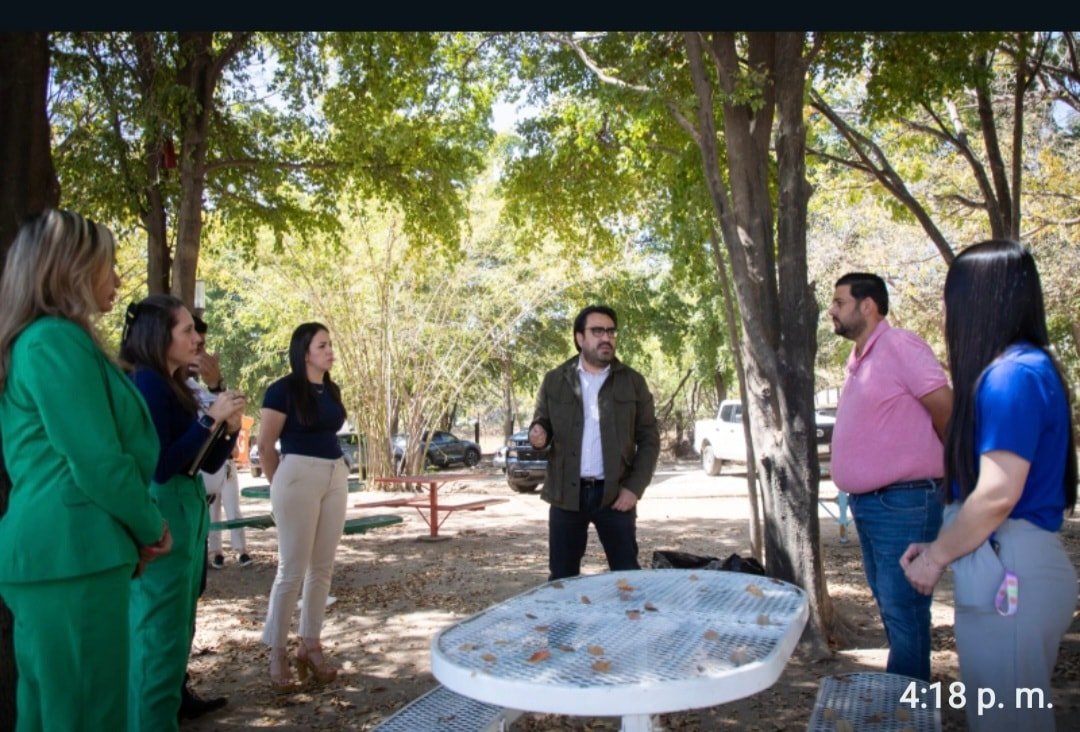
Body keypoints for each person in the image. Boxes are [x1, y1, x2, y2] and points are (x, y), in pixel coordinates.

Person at [0, 209, 171, 731]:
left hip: (71, 555)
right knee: (86, 715)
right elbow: (98, 461)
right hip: (70, 554)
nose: (118, 278)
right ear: (72, 269)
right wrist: (151, 526)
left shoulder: (51, 340)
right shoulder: (54, 341)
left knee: (57, 712)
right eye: (108, 265)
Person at [902, 240, 1077, 731]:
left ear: (978, 301)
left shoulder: (1011, 376)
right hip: (1006, 560)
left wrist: (937, 558)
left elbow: (998, 493)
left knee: (1009, 722)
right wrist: (943, 545)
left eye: (950, 300)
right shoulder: (1022, 370)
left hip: (1011, 568)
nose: (946, 314)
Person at [122, 294, 245, 731]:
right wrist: (210, 418)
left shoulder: (172, 383)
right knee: (159, 643)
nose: (198, 339)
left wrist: (226, 429)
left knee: (176, 639)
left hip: (189, 505)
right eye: (188, 330)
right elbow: (160, 464)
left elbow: (208, 462)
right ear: (161, 336)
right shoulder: (148, 382)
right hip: (165, 508)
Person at [827, 272, 952, 682]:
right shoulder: (861, 359)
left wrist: (947, 468)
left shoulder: (900, 345)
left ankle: (909, 714)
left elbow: (946, 410)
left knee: (904, 612)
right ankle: (905, 707)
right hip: (871, 505)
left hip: (904, 502)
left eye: (839, 302)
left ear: (867, 306)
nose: (832, 310)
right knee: (893, 608)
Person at [528, 304, 660, 581]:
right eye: (597, 331)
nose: (606, 338)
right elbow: (543, 425)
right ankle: (565, 625)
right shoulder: (555, 380)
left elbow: (649, 439)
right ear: (579, 338)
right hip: (566, 496)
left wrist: (634, 489)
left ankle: (628, 624)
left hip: (614, 495)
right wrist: (538, 434)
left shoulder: (632, 382)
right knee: (562, 579)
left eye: (611, 331)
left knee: (627, 578)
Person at [259, 322, 349, 691]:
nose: (329, 351)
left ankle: (310, 643)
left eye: (330, 345)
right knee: (292, 570)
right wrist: (281, 486)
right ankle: (276, 651)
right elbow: (266, 445)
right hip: (296, 472)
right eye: (322, 345)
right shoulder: (282, 390)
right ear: (304, 352)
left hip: (335, 473)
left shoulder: (331, 389)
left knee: (322, 568)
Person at [188, 317, 250, 569]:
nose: (201, 353)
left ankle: (240, 549)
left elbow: (212, 457)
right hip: (174, 503)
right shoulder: (154, 385)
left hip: (198, 494)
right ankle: (217, 551)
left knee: (233, 508)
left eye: (202, 345)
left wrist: (231, 425)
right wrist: (215, 416)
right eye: (194, 343)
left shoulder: (192, 387)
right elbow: (172, 462)